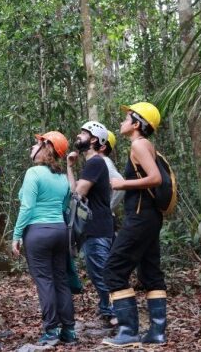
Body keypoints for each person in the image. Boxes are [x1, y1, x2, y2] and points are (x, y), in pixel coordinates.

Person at [102, 102, 167, 348]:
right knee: (151, 273)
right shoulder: (147, 145)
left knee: (114, 269)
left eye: (127, 117)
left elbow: (155, 178)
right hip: (150, 217)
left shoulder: (139, 144)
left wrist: (122, 184)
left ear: (137, 124)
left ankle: (128, 331)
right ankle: (157, 333)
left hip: (140, 218)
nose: (122, 122)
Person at [11, 131, 77, 346]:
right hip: (59, 231)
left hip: (38, 233)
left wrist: (17, 234)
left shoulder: (33, 173)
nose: (32, 147)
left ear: (45, 148)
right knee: (60, 280)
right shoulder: (61, 177)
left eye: (35, 144)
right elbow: (66, 204)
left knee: (45, 282)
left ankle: (51, 331)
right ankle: (69, 330)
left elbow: (27, 206)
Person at [66, 121, 115, 324]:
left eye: (83, 133)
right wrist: (69, 167)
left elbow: (77, 193)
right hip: (95, 228)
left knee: (101, 273)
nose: (79, 136)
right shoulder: (91, 164)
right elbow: (75, 190)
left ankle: (117, 313)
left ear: (94, 139)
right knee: (98, 273)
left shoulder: (95, 162)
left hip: (98, 227)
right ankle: (107, 309)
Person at [99, 131, 125, 225]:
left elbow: (121, 186)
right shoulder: (99, 162)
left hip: (104, 219)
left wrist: (109, 209)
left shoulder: (104, 162)